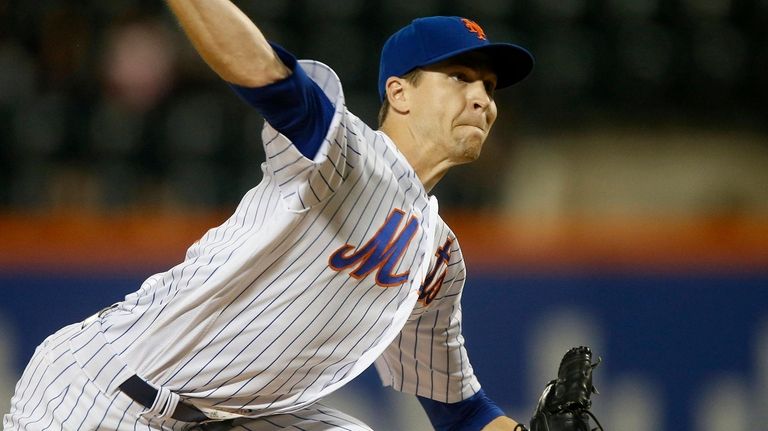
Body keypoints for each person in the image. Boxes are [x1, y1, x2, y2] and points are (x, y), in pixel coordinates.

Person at [3, 1, 534, 430]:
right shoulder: (346, 152)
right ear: (399, 92)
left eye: (488, 87)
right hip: (106, 394)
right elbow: (263, 73)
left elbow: (460, 412)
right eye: (460, 77)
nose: (482, 99)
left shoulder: (439, 257)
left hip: (227, 419)